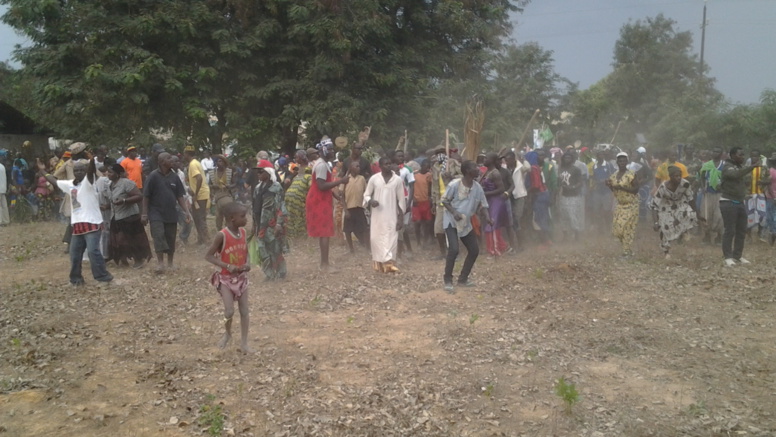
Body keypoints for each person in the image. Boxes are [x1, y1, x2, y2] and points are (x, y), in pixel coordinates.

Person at [38, 157, 114, 285]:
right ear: (73, 171)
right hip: (77, 224)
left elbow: (90, 173)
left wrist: (90, 163)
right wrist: (42, 171)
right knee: (74, 254)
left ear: (85, 171)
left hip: (92, 223)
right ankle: (76, 279)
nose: (79, 172)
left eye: (81, 170)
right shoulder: (70, 185)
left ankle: (103, 277)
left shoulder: (89, 182)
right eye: (76, 170)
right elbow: (54, 181)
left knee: (92, 251)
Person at [205, 202, 252, 353]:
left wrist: (247, 264)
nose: (246, 219)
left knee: (244, 311)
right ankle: (228, 333)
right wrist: (226, 265)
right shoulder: (222, 235)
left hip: (241, 278)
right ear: (232, 218)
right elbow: (208, 256)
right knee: (229, 311)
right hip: (225, 279)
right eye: (243, 216)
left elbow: (246, 252)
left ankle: (244, 343)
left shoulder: (243, 233)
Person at [442, 160, 491, 293]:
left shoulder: (477, 187)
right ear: (468, 171)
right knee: (454, 249)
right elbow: (444, 201)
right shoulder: (454, 185)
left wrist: (487, 217)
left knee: (474, 250)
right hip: (451, 221)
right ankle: (447, 280)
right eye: (475, 167)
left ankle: (463, 279)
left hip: (465, 223)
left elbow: (483, 205)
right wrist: (454, 212)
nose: (478, 169)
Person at [142, 152, 192, 273]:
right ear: (161, 162)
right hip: (156, 212)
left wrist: (186, 211)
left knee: (170, 237)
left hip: (171, 212)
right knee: (158, 235)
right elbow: (146, 196)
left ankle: (170, 263)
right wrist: (144, 213)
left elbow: (179, 196)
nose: (172, 160)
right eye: (168, 158)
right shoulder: (153, 176)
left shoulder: (174, 177)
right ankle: (160, 264)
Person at [306, 138, 347, 271]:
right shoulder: (322, 165)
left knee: (324, 231)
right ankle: (325, 265)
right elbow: (322, 185)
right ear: (323, 150)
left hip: (319, 198)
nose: (332, 151)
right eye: (330, 149)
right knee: (325, 231)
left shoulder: (321, 163)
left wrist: (334, 194)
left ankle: (324, 263)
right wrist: (341, 181)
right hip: (319, 200)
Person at [719, 147, 760, 266]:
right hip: (728, 202)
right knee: (730, 230)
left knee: (741, 230)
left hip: (740, 202)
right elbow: (735, 175)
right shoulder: (727, 166)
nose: (742, 157)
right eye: (739, 155)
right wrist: (751, 167)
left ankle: (737, 255)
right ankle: (727, 257)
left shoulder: (740, 167)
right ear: (732, 155)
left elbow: (742, 180)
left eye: (743, 155)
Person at [105, 164, 152, 267]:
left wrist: (125, 201)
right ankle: (123, 260)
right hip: (116, 216)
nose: (108, 174)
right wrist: (106, 206)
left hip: (129, 217)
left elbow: (139, 196)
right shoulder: (109, 185)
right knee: (119, 240)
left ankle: (139, 260)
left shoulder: (126, 183)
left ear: (118, 174)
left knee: (133, 240)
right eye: (107, 172)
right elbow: (112, 200)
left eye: (111, 172)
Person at [364, 157, 406, 273]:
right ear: (380, 166)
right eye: (385, 164)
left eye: (389, 163)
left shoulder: (397, 180)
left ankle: (389, 263)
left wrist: (401, 218)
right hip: (377, 215)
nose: (388, 166)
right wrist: (370, 201)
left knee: (391, 238)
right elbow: (366, 194)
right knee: (375, 238)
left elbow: (401, 200)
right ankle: (378, 262)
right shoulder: (374, 179)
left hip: (391, 214)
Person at [650, 166, 699, 259]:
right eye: (676, 176)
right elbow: (654, 205)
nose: (679, 178)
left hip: (680, 204)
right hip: (666, 207)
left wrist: (697, 214)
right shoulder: (663, 187)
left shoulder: (685, 184)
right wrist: (656, 222)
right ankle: (666, 251)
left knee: (689, 213)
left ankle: (684, 232)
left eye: (680, 176)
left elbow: (691, 199)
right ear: (670, 177)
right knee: (664, 227)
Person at [253, 161, 288, 280]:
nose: (258, 174)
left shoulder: (276, 187)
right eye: (257, 171)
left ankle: (281, 271)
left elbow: (281, 205)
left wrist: (279, 223)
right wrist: (254, 225)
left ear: (268, 172)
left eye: (261, 171)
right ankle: (269, 273)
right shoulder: (258, 188)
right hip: (261, 223)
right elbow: (255, 208)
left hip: (272, 223)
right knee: (263, 248)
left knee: (275, 248)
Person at [606, 152, 640, 257]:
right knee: (617, 230)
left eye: (624, 160)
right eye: (620, 161)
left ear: (627, 162)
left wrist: (623, 188)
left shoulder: (632, 174)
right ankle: (627, 249)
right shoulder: (613, 176)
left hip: (631, 204)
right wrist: (609, 185)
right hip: (620, 204)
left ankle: (626, 252)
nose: (622, 162)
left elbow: (636, 189)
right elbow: (614, 190)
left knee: (627, 228)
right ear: (617, 162)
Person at [481, 152, 509, 255]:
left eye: (486, 158)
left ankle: (497, 249)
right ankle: (492, 249)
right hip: (489, 200)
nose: (484, 160)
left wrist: (486, 193)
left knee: (493, 224)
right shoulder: (488, 172)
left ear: (492, 161)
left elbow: (501, 189)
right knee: (489, 224)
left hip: (496, 201)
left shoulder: (495, 173)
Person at [340, 160, 369, 253]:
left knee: (364, 228)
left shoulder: (362, 179)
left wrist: (366, 205)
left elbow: (366, 192)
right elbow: (342, 195)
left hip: (360, 207)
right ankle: (351, 249)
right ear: (351, 168)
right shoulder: (345, 179)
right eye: (356, 166)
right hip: (349, 208)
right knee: (348, 230)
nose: (359, 168)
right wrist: (345, 209)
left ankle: (367, 247)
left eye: (359, 166)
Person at [183, 146, 211, 244]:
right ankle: (201, 239)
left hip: (200, 195)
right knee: (197, 217)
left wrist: (196, 194)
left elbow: (199, 178)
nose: (183, 156)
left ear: (187, 154)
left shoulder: (193, 164)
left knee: (200, 218)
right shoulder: (196, 163)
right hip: (201, 194)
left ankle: (206, 240)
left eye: (184, 154)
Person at [557, 151, 585, 241]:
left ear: (572, 159)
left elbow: (580, 182)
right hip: (563, 195)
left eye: (569, 158)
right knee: (563, 216)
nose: (567, 159)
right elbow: (558, 181)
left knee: (572, 215)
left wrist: (572, 187)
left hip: (573, 196)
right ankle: (565, 235)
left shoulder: (576, 169)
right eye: (565, 158)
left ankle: (576, 234)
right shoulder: (560, 168)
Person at [699, 148, 725, 244]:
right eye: (713, 151)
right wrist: (702, 187)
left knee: (719, 216)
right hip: (708, 194)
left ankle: (719, 236)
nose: (715, 153)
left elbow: (728, 178)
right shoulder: (706, 165)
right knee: (706, 214)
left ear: (721, 154)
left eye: (718, 151)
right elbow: (701, 177)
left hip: (720, 194)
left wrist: (723, 186)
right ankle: (707, 236)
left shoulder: (724, 165)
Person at [392, 150, 415, 257]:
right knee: (399, 226)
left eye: (402, 156)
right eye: (398, 156)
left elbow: (411, 186)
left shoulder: (407, 170)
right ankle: (406, 249)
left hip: (405, 199)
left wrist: (409, 202)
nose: (400, 158)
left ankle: (402, 252)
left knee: (402, 225)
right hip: (393, 200)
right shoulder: (391, 169)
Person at [285, 150, 312, 238]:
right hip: (290, 198)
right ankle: (291, 234)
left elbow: (310, 185)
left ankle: (300, 236)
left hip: (300, 198)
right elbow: (291, 176)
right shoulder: (296, 168)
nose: (295, 159)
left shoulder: (309, 169)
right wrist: (289, 179)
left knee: (299, 216)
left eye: (297, 157)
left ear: (302, 158)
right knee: (290, 216)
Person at [505, 150, 528, 251]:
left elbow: (528, 167)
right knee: (512, 221)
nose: (507, 162)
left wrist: (521, 159)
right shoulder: (506, 168)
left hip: (519, 195)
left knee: (517, 219)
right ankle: (514, 244)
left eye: (509, 160)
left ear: (514, 159)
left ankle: (521, 244)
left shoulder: (521, 167)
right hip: (509, 196)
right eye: (506, 160)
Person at [589, 150, 616, 233]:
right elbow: (593, 176)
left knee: (607, 210)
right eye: (599, 155)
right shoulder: (594, 166)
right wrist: (593, 180)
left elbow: (613, 176)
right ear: (597, 156)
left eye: (602, 155)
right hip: (597, 190)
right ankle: (600, 228)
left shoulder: (608, 165)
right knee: (596, 210)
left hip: (607, 191)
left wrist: (604, 181)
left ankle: (608, 227)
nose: (601, 156)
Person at [209, 155, 235, 230]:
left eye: (220, 161)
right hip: (217, 195)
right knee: (218, 216)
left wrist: (229, 186)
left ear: (224, 162)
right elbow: (209, 185)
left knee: (229, 213)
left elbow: (235, 183)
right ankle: (219, 230)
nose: (218, 163)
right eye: (217, 161)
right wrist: (214, 186)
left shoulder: (229, 172)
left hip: (227, 194)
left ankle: (229, 228)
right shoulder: (212, 173)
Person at [170, 155, 193, 245]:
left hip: (181, 201)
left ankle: (183, 237)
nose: (176, 163)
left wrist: (188, 193)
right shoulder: (168, 175)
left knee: (188, 221)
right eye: (174, 162)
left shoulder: (181, 173)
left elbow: (183, 187)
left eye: (177, 161)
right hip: (172, 202)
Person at [745, 150, 766, 241]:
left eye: (756, 156)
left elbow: (769, 179)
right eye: (752, 156)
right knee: (749, 214)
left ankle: (760, 232)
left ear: (759, 157)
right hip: (749, 194)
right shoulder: (746, 168)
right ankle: (748, 235)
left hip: (760, 194)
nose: (754, 158)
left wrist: (763, 182)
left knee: (762, 214)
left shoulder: (764, 168)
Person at [412, 160, 434, 246]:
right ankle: (418, 241)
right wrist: (413, 198)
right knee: (417, 222)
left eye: (428, 167)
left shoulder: (429, 176)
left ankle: (425, 240)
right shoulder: (415, 175)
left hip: (426, 201)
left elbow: (430, 187)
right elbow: (411, 187)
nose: (427, 169)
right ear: (421, 166)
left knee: (428, 222)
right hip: (416, 201)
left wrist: (430, 197)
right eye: (426, 166)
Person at [761, 152, 776, 245]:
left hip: (772, 196)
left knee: (770, 215)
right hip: (772, 196)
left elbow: (769, 185)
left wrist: (773, 196)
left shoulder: (771, 171)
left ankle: (772, 233)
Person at [0, 153, 8, 225]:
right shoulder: (2, 166)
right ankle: (6, 220)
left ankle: (0, 221)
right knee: (4, 205)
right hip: (3, 188)